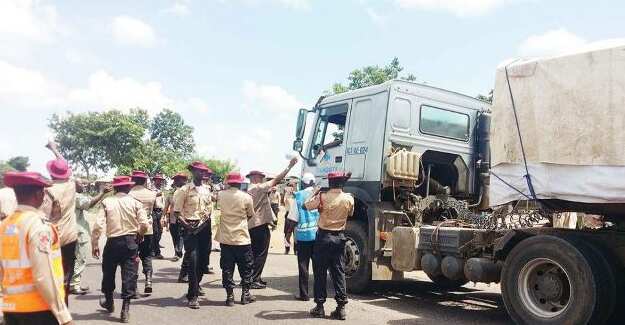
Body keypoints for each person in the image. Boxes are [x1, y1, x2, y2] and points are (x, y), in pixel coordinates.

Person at [0, 171, 73, 325]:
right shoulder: (37, 226)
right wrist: (63, 316)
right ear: (40, 194)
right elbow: (43, 276)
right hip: (39, 309)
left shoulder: (4, 226)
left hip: (11, 309)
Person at [92, 176, 150, 323]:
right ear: (128, 188)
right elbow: (144, 224)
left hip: (113, 242)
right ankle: (125, 310)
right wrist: (140, 235)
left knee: (108, 272)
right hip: (131, 241)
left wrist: (94, 243)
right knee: (129, 274)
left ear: (115, 188)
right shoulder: (136, 203)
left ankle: (109, 302)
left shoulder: (106, 202)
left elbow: (98, 225)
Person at [305, 171, 354, 320]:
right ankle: (341, 308)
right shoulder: (349, 198)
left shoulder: (322, 197)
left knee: (320, 272)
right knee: (338, 272)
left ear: (329, 182)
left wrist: (314, 192)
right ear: (342, 183)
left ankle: (320, 306)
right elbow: (350, 214)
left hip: (323, 237)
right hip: (339, 238)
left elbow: (306, 206)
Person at [246, 157, 298, 289]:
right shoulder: (258, 188)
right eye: (261, 177)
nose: (264, 179)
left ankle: (252, 277)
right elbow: (277, 180)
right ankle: (253, 279)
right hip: (258, 225)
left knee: (254, 252)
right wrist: (289, 166)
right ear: (256, 177)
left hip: (252, 225)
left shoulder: (249, 189)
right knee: (260, 253)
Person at [40, 140, 78, 307]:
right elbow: (65, 166)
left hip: (54, 239)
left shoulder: (49, 191)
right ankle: (65, 308)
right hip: (70, 237)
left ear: (51, 173)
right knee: (65, 277)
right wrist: (55, 150)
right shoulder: (71, 185)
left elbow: (43, 218)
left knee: (51, 276)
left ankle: (55, 309)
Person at [173, 161, 214, 309]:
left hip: (204, 227)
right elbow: (177, 213)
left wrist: (205, 220)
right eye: (199, 171)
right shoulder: (184, 190)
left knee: (204, 261)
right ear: (193, 172)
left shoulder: (207, 189)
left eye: (204, 171)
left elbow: (209, 208)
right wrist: (188, 226)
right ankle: (193, 295)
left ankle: (196, 284)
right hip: (189, 227)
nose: (202, 173)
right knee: (194, 260)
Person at [215, 172, 256, 306]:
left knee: (227, 268)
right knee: (246, 268)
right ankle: (245, 295)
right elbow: (250, 215)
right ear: (240, 183)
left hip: (226, 239)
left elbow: (217, 209)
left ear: (228, 182)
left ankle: (230, 296)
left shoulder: (220, 195)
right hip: (242, 238)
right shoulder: (247, 197)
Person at [69, 180, 111, 295]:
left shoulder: (69, 195)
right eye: (81, 184)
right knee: (80, 258)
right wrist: (102, 193)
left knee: (71, 259)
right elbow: (89, 204)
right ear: (74, 185)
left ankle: (70, 283)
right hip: (77, 231)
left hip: (69, 231)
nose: (84, 185)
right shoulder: (75, 196)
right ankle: (74, 285)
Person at [288, 173, 319, 301]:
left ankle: (304, 294)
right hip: (318, 235)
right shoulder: (319, 195)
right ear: (312, 183)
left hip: (303, 236)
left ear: (304, 183)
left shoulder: (299, 195)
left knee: (303, 266)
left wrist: (288, 233)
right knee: (318, 267)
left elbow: (293, 218)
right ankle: (318, 294)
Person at [128, 170, 156, 295]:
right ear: (145, 180)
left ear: (132, 180)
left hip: (132, 229)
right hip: (148, 229)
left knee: (133, 257)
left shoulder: (128, 194)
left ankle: (134, 287)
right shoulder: (152, 194)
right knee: (147, 255)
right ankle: (148, 280)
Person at [163, 173, 187, 262]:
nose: (176, 181)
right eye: (175, 180)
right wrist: (163, 217)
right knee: (174, 236)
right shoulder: (171, 194)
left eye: (178, 179)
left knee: (180, 235)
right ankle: (177, 252)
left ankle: (178, 252)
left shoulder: (187, 191)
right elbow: (166, 207)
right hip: (173, 218)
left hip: (184, 218)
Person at [151, 174, 166, 259]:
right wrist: (155, 194)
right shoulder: (151, 190)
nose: (159, 182)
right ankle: (156, 252)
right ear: (154, 180)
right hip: (154, 211)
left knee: (160, 231)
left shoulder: (162, 191)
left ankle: (153, 248)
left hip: (161, 212)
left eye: (160, 180)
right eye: (158, 180)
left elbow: (163, 203)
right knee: (155, 232)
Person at [283, 183, 297, 255]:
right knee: (286, 233)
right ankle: (287, 249)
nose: (291, 188)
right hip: (288, 214)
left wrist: (294, 193)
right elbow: (284, 201)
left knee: (296, 234)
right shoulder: (286, 195)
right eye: (290, 186)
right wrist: (287, 192)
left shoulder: (297, 194)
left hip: (295, 215)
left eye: (292, 186)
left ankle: (296, 250)